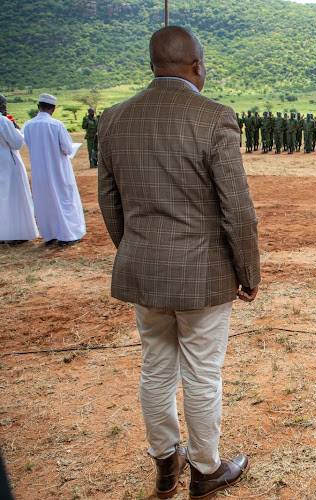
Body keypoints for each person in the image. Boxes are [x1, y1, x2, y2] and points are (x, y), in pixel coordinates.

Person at [97, 26, 258, 499]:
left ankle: (166, 465)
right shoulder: (213, 118)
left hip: (145, 272)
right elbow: (238, 210)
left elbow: (110, 202)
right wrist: (248, 273)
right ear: (196, 65)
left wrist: (138, 250)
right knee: (202, 374)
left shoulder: (113, 119)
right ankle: (206, 470)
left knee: (156, 368)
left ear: (153, 64)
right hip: (202, 277)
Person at [22, 93, 86, 247]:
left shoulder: (28, 125)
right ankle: (67, 235)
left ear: (39, 107)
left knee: (45, 202)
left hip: (39, 172)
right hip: (59, 171)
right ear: (53, 109)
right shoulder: (56, 125)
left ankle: (49, 235)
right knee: (65, 200)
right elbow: (67, 149)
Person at [0, 93, 39, 245]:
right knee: (14, 198)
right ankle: (15, 233)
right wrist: (15, 128)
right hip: (8, 165)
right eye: (4, 104)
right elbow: (17, 143)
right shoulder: (3, 121)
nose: (5, 107)